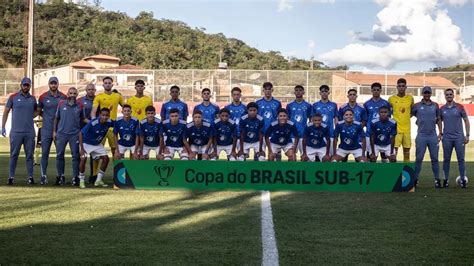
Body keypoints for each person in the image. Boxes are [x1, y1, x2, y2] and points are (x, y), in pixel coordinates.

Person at [1, 77, 38, 185]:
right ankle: (11, 177)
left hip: (29, 132)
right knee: (14, 155)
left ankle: (30, 177)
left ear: (30, 86)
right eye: (24, 85)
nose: (26, 87)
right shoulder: (13, 97)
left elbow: (36, 111)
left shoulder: (32, 99)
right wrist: (3, 127)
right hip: (16, 132)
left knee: (29, 156)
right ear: (21, 85)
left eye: (28, 85)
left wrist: (29, 116)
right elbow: (6, 112)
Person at [37, 76, 67, 185]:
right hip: (46, 129)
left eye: (55, 83)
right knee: (45, 153)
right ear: (49, 84)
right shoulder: (43, 97)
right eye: (51, 83)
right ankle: (43, 176)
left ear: (58, 84)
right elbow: (38, 111)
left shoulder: (64, 97)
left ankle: (61, 176)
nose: (53, 85)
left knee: (60, 154)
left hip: (60, 130)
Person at [411, 86, 442, 188]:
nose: (427, 95)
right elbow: (411, 115)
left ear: (431, 94)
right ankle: (415, 180)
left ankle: (437, 180)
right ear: (422, 94)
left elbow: (438, 120)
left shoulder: (435, 105)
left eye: (428, 93)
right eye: (425, 93)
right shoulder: (417, 106)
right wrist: (419, 121)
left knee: (435, 159)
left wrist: (440, 132)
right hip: (421, 135)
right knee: (419, 158)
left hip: (433, 135)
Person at [54, 87, 85, 186]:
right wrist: (54, 131)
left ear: (77, 95)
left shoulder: (80, 105)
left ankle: (75, 178)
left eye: (74, 93)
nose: (72, 95)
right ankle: (60, 177)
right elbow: (56, 118)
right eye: (70, 93)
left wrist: (95, 122)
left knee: (75, 156)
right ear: (67, 94)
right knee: (59, 155)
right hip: (61, 134)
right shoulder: (61, 104)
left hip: (74, 134)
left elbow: (83, 119)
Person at [440, 88, 470, 188]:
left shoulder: (460, 107)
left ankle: (463, 180)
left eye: (450, 94)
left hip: (459, 138)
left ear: (453, 96)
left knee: (461, 159)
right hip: (447, 138)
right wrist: (440, 133)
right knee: (446, 159)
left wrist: (467, 135)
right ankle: (446, 180)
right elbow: (438, 121)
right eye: (447, 94)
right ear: (445, 96)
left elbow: (466, 121)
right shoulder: (442, 109)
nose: (449, 96)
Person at [78, 108, 115, 189]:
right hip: (86, 143)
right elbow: (80, 133)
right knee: (83, 159)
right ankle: (81, 180)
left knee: (106, 159)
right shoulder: (93, 123)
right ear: (100, 115)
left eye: (107, 115)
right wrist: (82, 149)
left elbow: (118, 124)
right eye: (103, 115)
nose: (105, 117)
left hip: (97, 144)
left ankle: (98, 180)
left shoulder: (109, 122)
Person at [388, 78, 414, 162]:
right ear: (397, 87)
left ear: (406, 87)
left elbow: (412, 112)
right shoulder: (391, 99)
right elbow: (389, 113)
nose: (401, 88)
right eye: (399, 86)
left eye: (403, 86)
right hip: (396, 130)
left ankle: (406, 173)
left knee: (407, 152)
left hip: (407, 130)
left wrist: (405, 118)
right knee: (393, 152)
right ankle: (393, 172)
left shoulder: (410, 98)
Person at [364, 82, 391, 157]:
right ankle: (370, 169)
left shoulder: (386, 103)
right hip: (370, 133)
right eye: (374, 90)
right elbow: (365, 119)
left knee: (384, 156)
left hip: (383, 133)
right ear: (371, 91)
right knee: (370, 155)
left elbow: (389, 118)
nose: (376, 91)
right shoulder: (366, 104)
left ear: (380, 91)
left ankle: (383, 168)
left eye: (378, 90)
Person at [78, 83, 97, 183]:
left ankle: (93, 176)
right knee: (81, 155)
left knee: (94, 155)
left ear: (95, 90)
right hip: (82, 130)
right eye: (89, 89)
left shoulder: (98, 100)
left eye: (92, 89)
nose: (90, 91)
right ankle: (79, 176)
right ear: (86, 90)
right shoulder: (80, 101)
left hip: (94, 132)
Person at [256, 82, 282, 159]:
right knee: (260, 155)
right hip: (261, 132)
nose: (267, 91)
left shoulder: (277, 103)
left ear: (272, 90)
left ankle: (277, 170)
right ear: (263, 90)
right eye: (265, 89)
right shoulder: (258, 102)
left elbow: (280, 118)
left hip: (273, 133)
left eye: (269, 89)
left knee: (276, 155)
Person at [286, 85, 311, 159]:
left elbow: (311, 120)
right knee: (291, 156)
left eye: (300, 90)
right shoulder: (289, 105)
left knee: (305, 157)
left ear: (303, 92)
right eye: (296, 90)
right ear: (294, 92)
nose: (298, 92)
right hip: (292, 135)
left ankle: (304, 170)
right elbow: (287, 120)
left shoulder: (308, 105)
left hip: (304, 135)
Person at [311, 85, 338, 156]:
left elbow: (336, 118)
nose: (324, 93)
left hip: (330, 133)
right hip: (318, 133)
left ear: (329, 93)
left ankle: (331, 167)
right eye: (322, 91)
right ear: (320, 93)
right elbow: (312, 120)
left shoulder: (333, 105)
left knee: (331, 155)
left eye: (326, 91)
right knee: (317, 154)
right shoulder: (315, 105)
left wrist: (337, 130)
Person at [225, 87, 247, 160]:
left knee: (242, 157)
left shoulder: (245, 107)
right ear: (232, 95)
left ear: (240, 95)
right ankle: (230, 171)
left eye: (238, 94)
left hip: (242, 136)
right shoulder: (227, 107)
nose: (236, 96)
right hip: (231, 136)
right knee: (231, 157)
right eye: (234, 94)